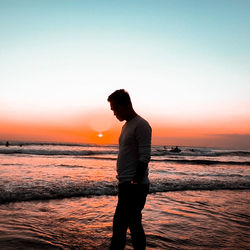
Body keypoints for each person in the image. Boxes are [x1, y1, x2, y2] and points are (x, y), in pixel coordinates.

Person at [108, 89, 152, 250]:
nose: (114, 113)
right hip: (126, 184)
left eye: (115, 108)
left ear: (126, 105)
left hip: (135, 186)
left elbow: (145, 156)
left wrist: (134, 182)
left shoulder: (141, 125)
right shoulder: (126, 126)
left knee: (119, 227)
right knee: (134, 225)